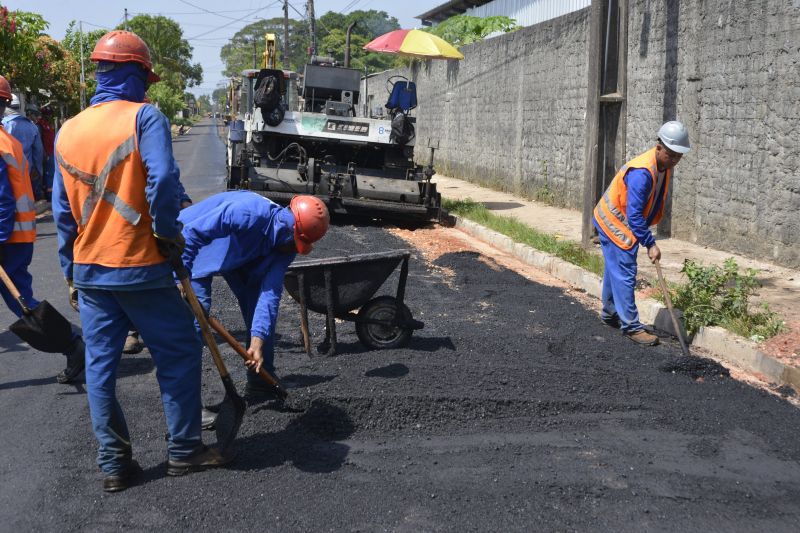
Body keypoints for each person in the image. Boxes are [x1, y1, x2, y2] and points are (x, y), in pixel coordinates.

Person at [52, 30, 229, 493]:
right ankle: (185, 450)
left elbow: (60, 214)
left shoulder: (68, 130)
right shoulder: (145, 118)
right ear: (134, 74)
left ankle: (114, 464)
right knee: (179, 353)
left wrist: (70, 272)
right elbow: (165, 177)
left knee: (100, 369)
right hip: (141, 266)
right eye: (144, 78)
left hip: (91, 271)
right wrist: (167, 233)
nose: (147, 87)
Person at [177, 191, 329, 425]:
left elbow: (269, 294)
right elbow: (192, 232)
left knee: (259, 309)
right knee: (194, 324)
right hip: (190, 248)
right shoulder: (248, 212)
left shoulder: (285, 247)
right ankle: (188, 412)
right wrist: (181, 276)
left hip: (241, 255)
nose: (292, 249)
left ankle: (260, 382)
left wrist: (257, 341)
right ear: (289, 227)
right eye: (294, 242)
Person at [0, 75, 86, 383]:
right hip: (16, 235)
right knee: (19, 298)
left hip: (6, 237)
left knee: (21, 301)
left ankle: (73, 344)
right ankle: (73, 343)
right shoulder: (6, 138)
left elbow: (2, 199)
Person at [592, 121, 691, 346]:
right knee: (625, 271)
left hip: (618, 221)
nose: (675, 160)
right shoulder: (642, 173)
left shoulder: (662, 166)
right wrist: (650, 243)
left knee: (613, 268)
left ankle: (610, 314)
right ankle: (632, 327)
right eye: (671, 154)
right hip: (615, 223)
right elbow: (635, 216)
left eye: (679, 156)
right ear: (659, 148)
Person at [2, 94, 44, 200]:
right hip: (26, 173)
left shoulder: (4, 125)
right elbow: (38, 152)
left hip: (6, 174)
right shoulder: (32, 126)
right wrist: (38, 171)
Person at [29, 105, 55, 202]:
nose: (48, 116)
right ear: (43, 114)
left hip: (51, 152)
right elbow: (39, 141)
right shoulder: (39, 125)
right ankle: (47, 195)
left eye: (49, 114)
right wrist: (43, 153)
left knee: (49, 174)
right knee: (46, 174)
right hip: (45, 154)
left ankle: (48, 194)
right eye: (47, 114)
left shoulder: (49, 124)